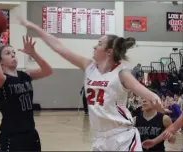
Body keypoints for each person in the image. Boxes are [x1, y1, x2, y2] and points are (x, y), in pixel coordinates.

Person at [18, 17, 163, 151]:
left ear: (109, 52)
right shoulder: (89, 66)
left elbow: (147, 93)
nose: (94, 47)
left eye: (99, 44)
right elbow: (59, 47)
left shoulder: (121, 73)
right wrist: (34, 27)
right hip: (99, 138)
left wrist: (157, 102)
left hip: (122, 137)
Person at [0, 27, 53, 151]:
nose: (13, 54)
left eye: (13, 52)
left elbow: (48, 71)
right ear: (0, 62)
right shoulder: (1, 80)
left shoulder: (26, 74)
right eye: (7, 53)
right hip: (11, 137)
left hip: (31, 134)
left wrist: (33, 53)